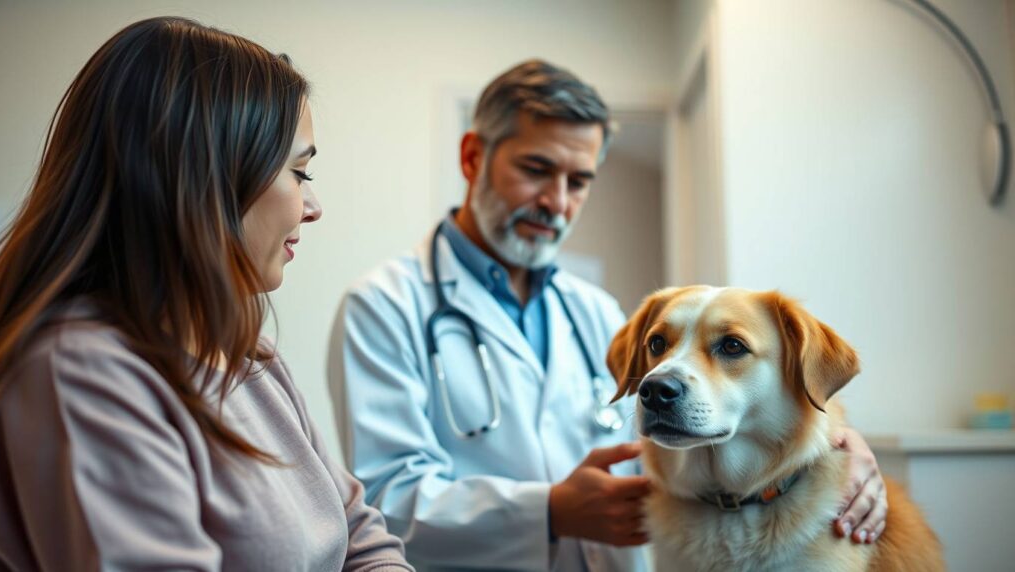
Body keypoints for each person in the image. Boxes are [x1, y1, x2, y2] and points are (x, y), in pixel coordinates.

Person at [327, 60, 887, 571]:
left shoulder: (593, 310)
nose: (557, 202)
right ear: (473, 157)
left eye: (579, 181)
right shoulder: (384, 305)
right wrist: (548, 511)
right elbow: (381, 500)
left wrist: (835, 453)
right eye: (536, 170)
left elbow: (691, 431)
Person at [0, 17, 412, 571]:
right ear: (206, 179)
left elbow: (360, 535)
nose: (311, 208)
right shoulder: (79, 372)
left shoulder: (248, 354)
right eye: (299, 174)